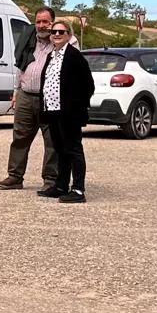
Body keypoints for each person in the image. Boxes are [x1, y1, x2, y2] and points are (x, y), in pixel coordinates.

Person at [0, 7, 68, 192]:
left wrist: (56, 36)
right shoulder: (29, 40)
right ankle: (15, 177)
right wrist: (15, 92)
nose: (41, 25)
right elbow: (21, 67)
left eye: (46, 21)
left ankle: (51, 180)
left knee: (51, 140)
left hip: (49, 99)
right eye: (38, 22)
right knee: (20, 136)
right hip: (25, 95)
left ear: (53, 22)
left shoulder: (60, 41)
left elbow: (72, 50)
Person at [37, 21, 93, 203]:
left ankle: (78, 189)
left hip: (69, 112)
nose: (56, 34)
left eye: (61, 31)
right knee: (60, 149)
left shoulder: (74, 56)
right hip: (52, 110)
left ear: (69, 34)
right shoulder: (51, 55)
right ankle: (61, 185)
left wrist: (77, 106)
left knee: (73, 149)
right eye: (54, 32)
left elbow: (88, 85)